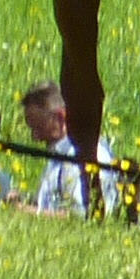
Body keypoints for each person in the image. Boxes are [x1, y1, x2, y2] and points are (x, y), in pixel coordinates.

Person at [22, 80, 121, 218]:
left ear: (61, 117)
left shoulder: (78, 155)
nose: (35, 137)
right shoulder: (61, 153)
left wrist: (26, 212)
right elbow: (53, 202)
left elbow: (79, 216)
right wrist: (24, 200)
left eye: (39, 128)